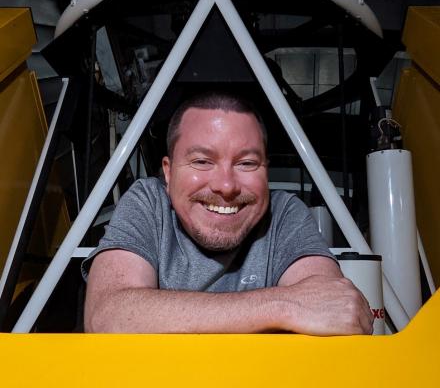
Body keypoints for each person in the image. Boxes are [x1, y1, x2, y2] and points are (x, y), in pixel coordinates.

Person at [83, 91, 373, 335]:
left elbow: (333, 311)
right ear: (168, 174)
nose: (226, 186)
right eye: (202, 161)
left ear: (266, 171)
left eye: (246, 163)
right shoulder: (148, 202)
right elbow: (108, 315)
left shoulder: (284, 212)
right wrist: (282, 305)